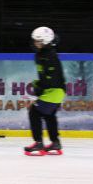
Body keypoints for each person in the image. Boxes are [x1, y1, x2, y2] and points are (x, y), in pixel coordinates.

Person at [25, 26, 65, 156]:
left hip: (53, 91)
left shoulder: (48, 56)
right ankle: (55, 142)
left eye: (37, 41)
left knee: (34, 112)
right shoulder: (45, 54)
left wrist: (39, 88)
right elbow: (47, 76)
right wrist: (39, 85)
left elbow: (52, 78)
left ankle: (38, 143)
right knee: (49, 115)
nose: (35, 43)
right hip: (57, 92)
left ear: (45, 41)